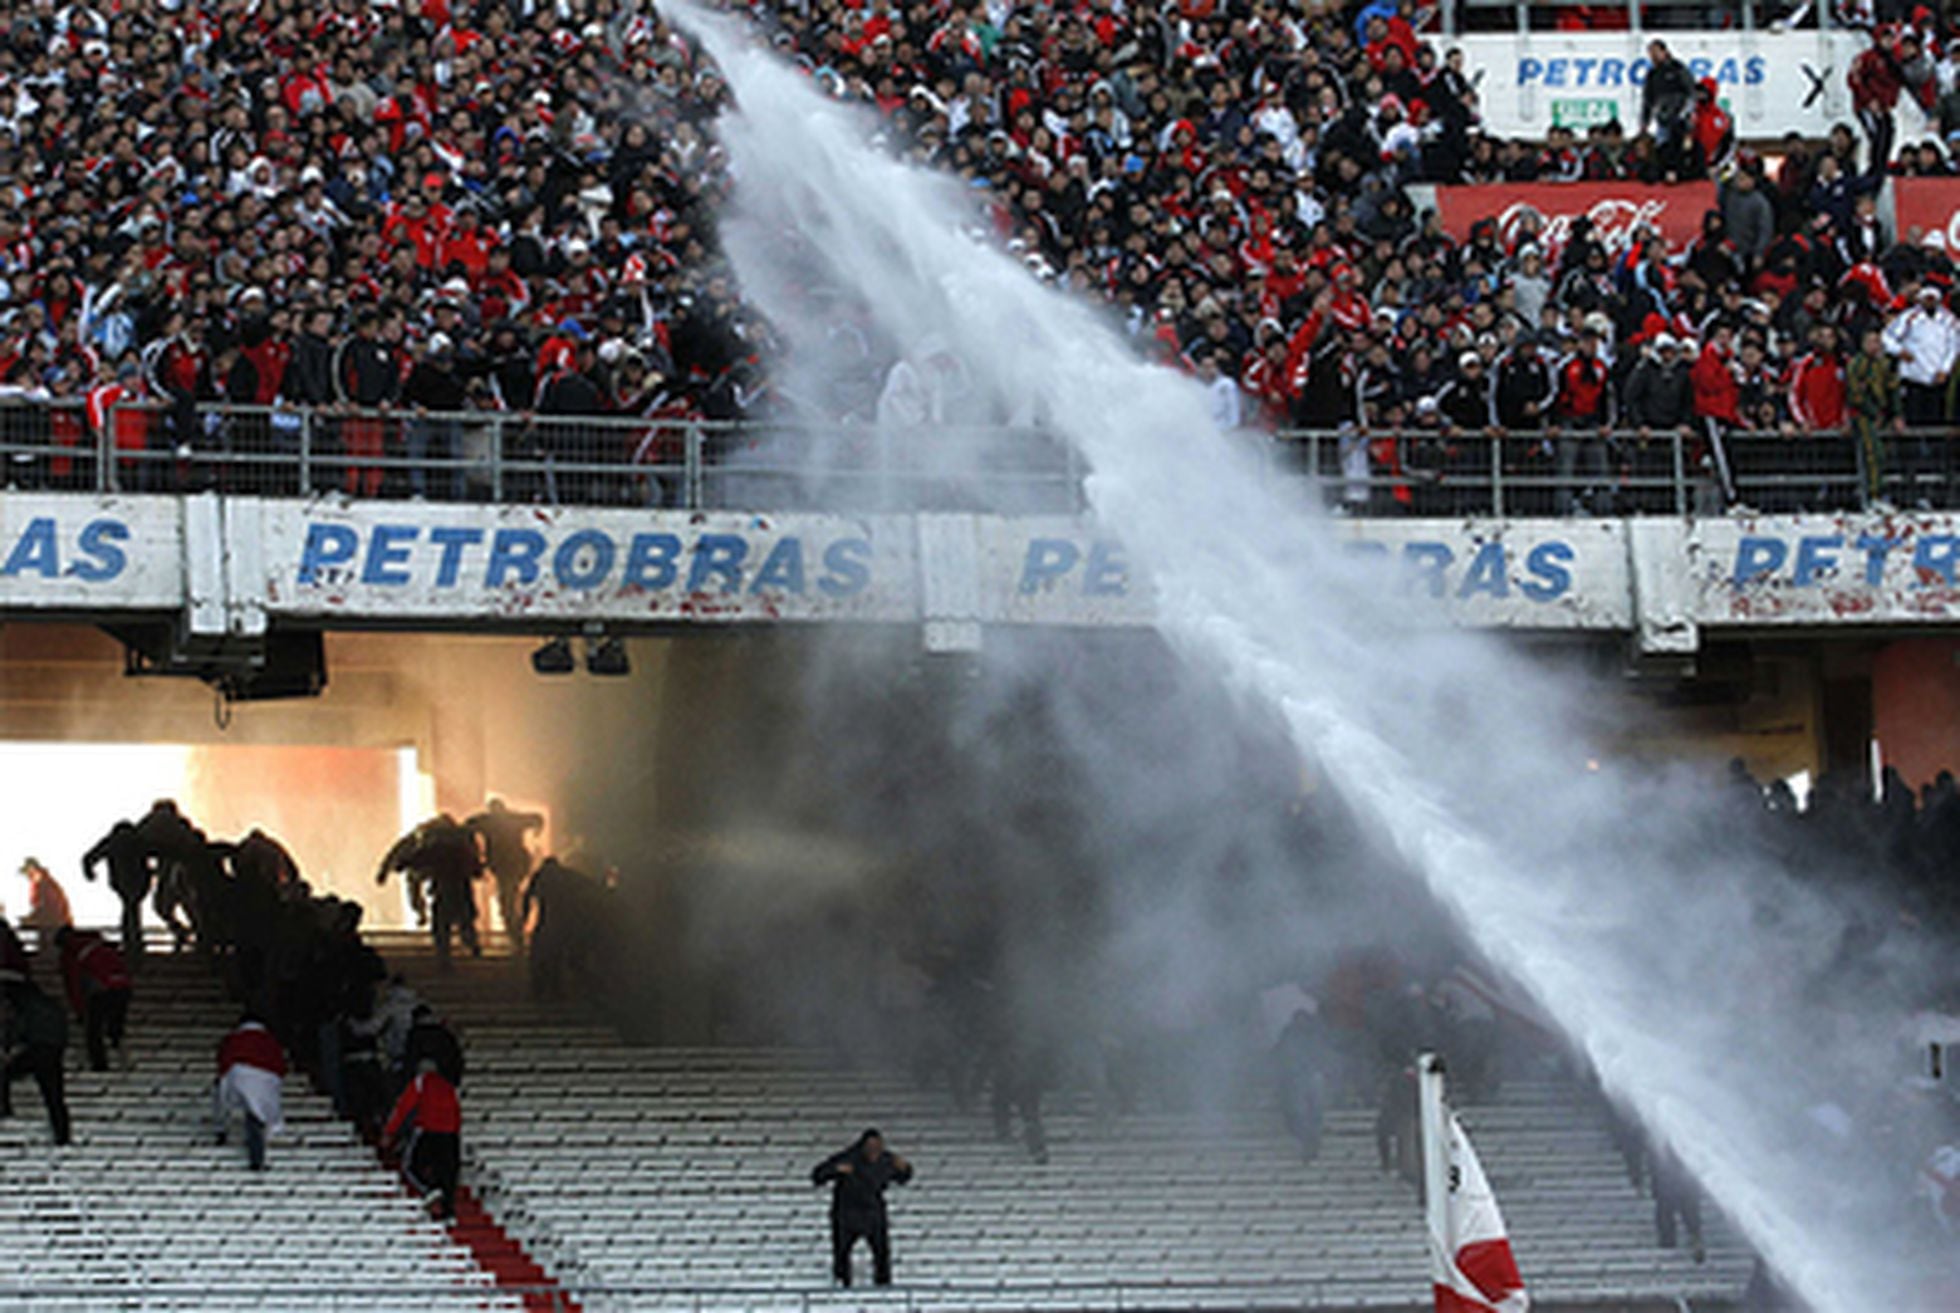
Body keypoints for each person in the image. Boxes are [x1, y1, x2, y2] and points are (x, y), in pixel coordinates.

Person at [811, 1129, 914, 1288]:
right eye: (870, 1148)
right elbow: (818, 1175)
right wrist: (836, 1170)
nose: (874, 1152)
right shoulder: (848, 1157)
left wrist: (905, 1168)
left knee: (881, 1252)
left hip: (873, 1213)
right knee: (842, 1252)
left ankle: (883, 1283)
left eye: (877, 1148)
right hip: (847, 1213)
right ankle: (842, 1282)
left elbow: (903, 1177)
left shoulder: (886, 1160)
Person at [384, 1058, 463, 1221]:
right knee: (447, 1173)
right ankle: (447, 1212)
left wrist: (390, 1131)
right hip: (451, 1134)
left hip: (428, 1130)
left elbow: (404, 1106)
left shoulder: (421, 1082)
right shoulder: (448, 1087)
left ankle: (430, 1191)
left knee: (411, 1167)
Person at [1, 976, 72, 1145]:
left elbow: (19, 1026)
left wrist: (8, 1045)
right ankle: (62, 1134)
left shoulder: (25, 1006)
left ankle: (4, 1108)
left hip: (36, 1048)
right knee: (54, 1096)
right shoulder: (52, 1005)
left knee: (4, 1074)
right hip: (53, 1051)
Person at [465, 799, 544, 947]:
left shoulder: (488, 821)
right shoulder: (513, 819)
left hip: (504, 865)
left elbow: (468, 825)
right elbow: (537, 818)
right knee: (510, 896)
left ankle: (515, 930)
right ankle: (516, 928)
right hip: (517, 863)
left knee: (507, 898)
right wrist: (537, 833)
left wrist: (473, 850)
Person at [214, 1013, 286, 1171]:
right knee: (258, 1114)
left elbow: (222, 1060)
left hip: (238, 1073)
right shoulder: (270, 1042)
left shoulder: (234, 1039)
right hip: (267, 1078)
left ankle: (221, 1130)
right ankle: (258, 1152)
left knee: (228, 1100)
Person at [56, 928, 132, 1073]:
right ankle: (124, 1058)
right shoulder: (100, 946)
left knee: (93, 1031)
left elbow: (74, 984)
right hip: (122, 987)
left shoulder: (71, 953)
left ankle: (100, 1065)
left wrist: (79, 1009)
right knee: (115, 1028)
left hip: (100, 990)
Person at [1848, 324, 1906, 508]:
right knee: (1872, 453)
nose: (1875, 345)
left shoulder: (1885, 364)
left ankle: (1884, 492)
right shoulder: (1857, 365)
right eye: (1871, 342)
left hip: (1882, 413)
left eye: (1877, 342)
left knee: (1885, 454)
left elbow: (1893, 388)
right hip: (1864, 415)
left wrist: (1896, 414)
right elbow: (1855, 394)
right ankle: (1873, 495)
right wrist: (1873, 413)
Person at [82, 819, 156, 958]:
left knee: (129, 909)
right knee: (132, 909)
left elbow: (89, 857)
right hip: (140, 881)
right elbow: (160, 850)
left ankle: (131, 941)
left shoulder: (112, 841)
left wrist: (90, 873)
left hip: (121, 881)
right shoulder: (139, 840)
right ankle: (134, 942)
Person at [1273, 1007, 1327, 1164]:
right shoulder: (1288, 1035)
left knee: (1311, 1112)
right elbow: (1281, 1055)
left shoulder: (1314, 1034)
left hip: (1311, 1075)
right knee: (1300, 1112)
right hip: (1297, 1078)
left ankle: (1311, 1142)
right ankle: (1308, 1142)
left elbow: (1322, 1054)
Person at [18, 858, 72, 953]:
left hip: (55, 928)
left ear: (33, 870)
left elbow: (45, 909)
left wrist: (29, 920)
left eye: (28, 873)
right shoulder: (42, 884)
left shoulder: (45, 886)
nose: (27, 877)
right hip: (53, 927)